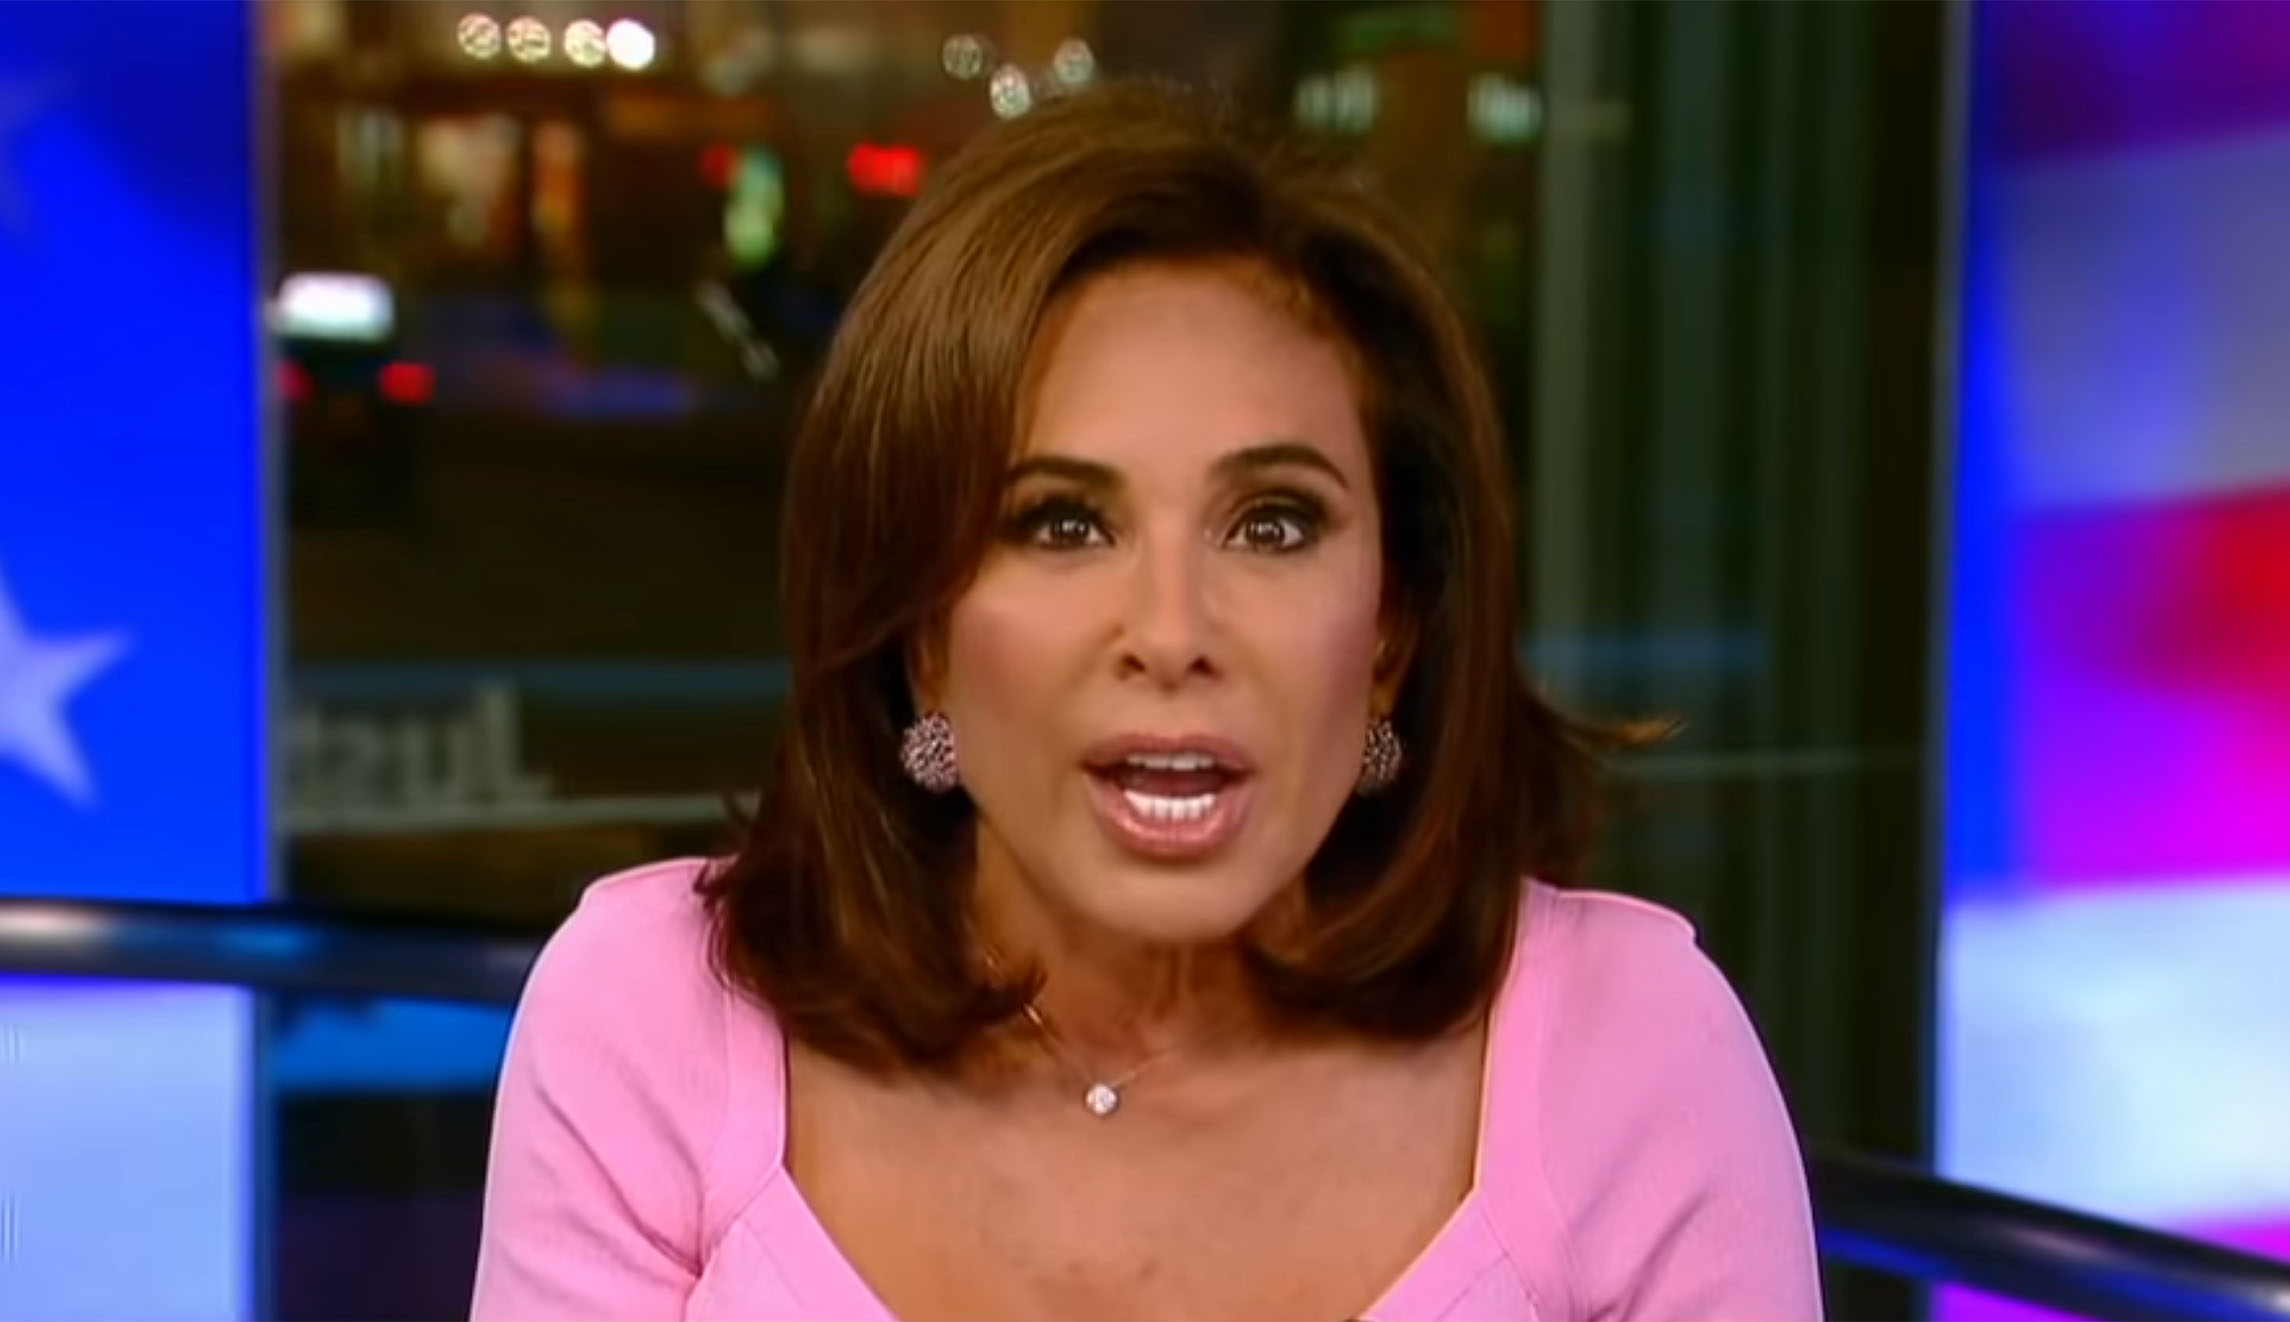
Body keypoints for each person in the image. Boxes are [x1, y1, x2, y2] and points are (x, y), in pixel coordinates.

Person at [470, 80, 1822, 1322]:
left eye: (1273, 524)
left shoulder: (1630, 1052)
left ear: (1391, 632)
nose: (1173, 635)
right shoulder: (654, 1019)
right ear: (920, 634)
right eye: (1062, 523)